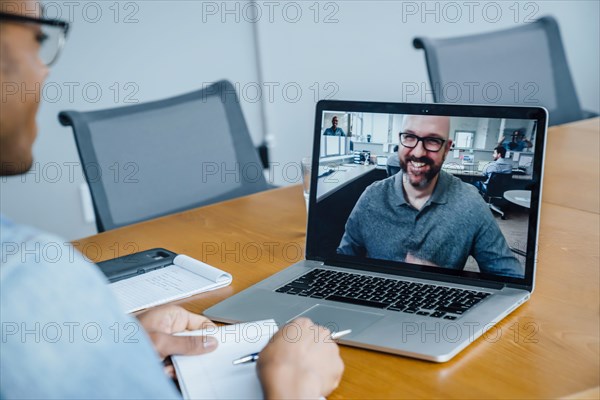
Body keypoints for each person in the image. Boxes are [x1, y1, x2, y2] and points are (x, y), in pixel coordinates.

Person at [0, 2, 344, 398]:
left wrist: (117, 347)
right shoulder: (25, 281)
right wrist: (294, 383)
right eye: (37, 38)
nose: (44, 69)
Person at [337, 115, 523, 278]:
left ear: (447, 148)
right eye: (409, 137)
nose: (418, 152)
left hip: (439, 309)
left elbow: (510, 278)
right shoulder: (372, 196)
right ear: (400, 140)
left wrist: (449, 281)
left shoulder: (470, 203)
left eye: (433, 140)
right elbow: (341, 262)